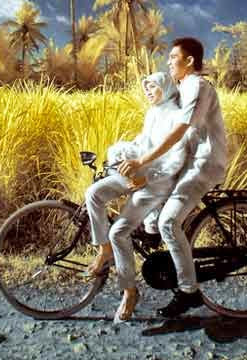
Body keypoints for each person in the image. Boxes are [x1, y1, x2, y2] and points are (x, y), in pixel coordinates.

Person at [120, 37, 228, 318]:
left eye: (173, 57)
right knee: (155, 207)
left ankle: (188, 291)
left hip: (203, 165)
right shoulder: (181, 88)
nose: (168, 63)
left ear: (189, 61)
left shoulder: (196, 85)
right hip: (188, 164)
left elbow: (180, 130)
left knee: (169, 221)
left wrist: (143, 160)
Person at [83, 72, 192, 322]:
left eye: (152, 86)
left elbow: (176, 161)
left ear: (165, 88)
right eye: (146, 87)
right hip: (138, 172)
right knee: (94, 193)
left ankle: (129, 292)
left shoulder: (177, 116)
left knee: (119, 231)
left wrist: (148, 176)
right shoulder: (153, 113)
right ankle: (105, 250)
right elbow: (144, 144)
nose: (148, 91)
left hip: (156, 183)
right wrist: (121, 155)